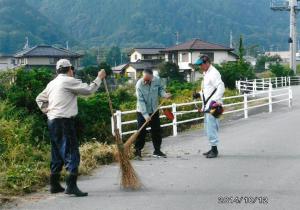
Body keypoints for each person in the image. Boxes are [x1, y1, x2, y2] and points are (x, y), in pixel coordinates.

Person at [36, 59, 106, 196]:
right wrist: (99, 78)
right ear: (70, 69)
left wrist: (47, 110)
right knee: (71, 152)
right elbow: (89, 90)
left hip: (52, 121)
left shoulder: (52, 83)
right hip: (64, 122)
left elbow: (39, 98)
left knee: (57, 152)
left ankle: (54, 185)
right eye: (72, 69)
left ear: (57, 70)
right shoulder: (68, 80)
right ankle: (71, 186)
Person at [135, 69, 171, 159]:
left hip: (154, 109)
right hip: (142, 112)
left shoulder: (157, 80)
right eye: (145, 79)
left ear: (152, 77)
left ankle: (157, 151)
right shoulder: (139, 85)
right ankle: (137, 151)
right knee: (141, 131)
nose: (145, 81)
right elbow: (140, 101)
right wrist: (146, 115)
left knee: (156, 130)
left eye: (148, 80)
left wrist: (164, 95)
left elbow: (160, 89)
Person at [193, 55, 225, 158]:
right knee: (208, 127)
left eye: (201, 65)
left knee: (211, 127)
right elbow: (208, 90)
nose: (200, 67)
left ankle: (214, 150)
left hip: (213, 106)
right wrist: (199, 94)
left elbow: (221, 87)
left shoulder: (213, 73)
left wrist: (215, 101)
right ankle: (212, 148)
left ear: (207, 63)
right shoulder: (206, 73)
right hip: (208, 105)